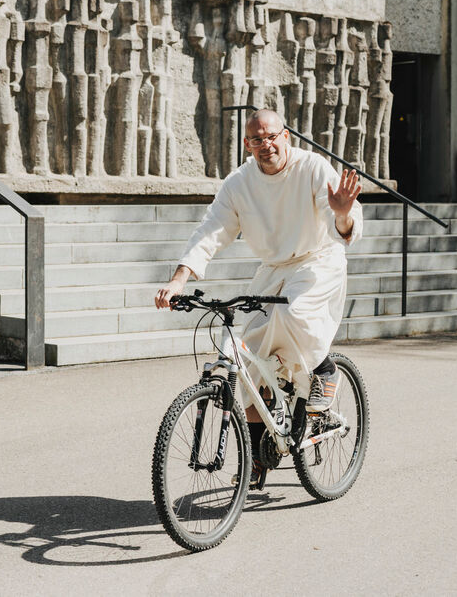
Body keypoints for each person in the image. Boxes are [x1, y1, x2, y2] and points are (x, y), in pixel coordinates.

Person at [154, 108, 362, 485]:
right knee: (243, 356)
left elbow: (341, 222)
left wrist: (344, 215)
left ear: (286, 136)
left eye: (271, 137)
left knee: (294, 314)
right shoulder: (239, 183)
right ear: (247, 145)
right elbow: (211, 230)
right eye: (256, 140)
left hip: (319, 259)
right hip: (274, 268)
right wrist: (180, 279)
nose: (265, 145)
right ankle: (257, 459)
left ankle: (322, 369)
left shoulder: (312, 167)